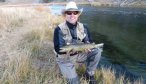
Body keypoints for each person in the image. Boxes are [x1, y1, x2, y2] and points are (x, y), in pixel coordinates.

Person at [53, 1, 103, 84]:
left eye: (75, 12)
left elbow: (89, 41)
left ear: (77, 15)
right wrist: (70, 49)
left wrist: (87, 44)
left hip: (79, 54)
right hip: (65, 59)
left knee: (97, 51)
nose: (72, 15)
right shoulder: (58, 29)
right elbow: (58, 49)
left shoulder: (84, 27)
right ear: (65, 15)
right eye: (69, 12)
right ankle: (65, 69)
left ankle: (89, 74)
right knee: (75, 82)